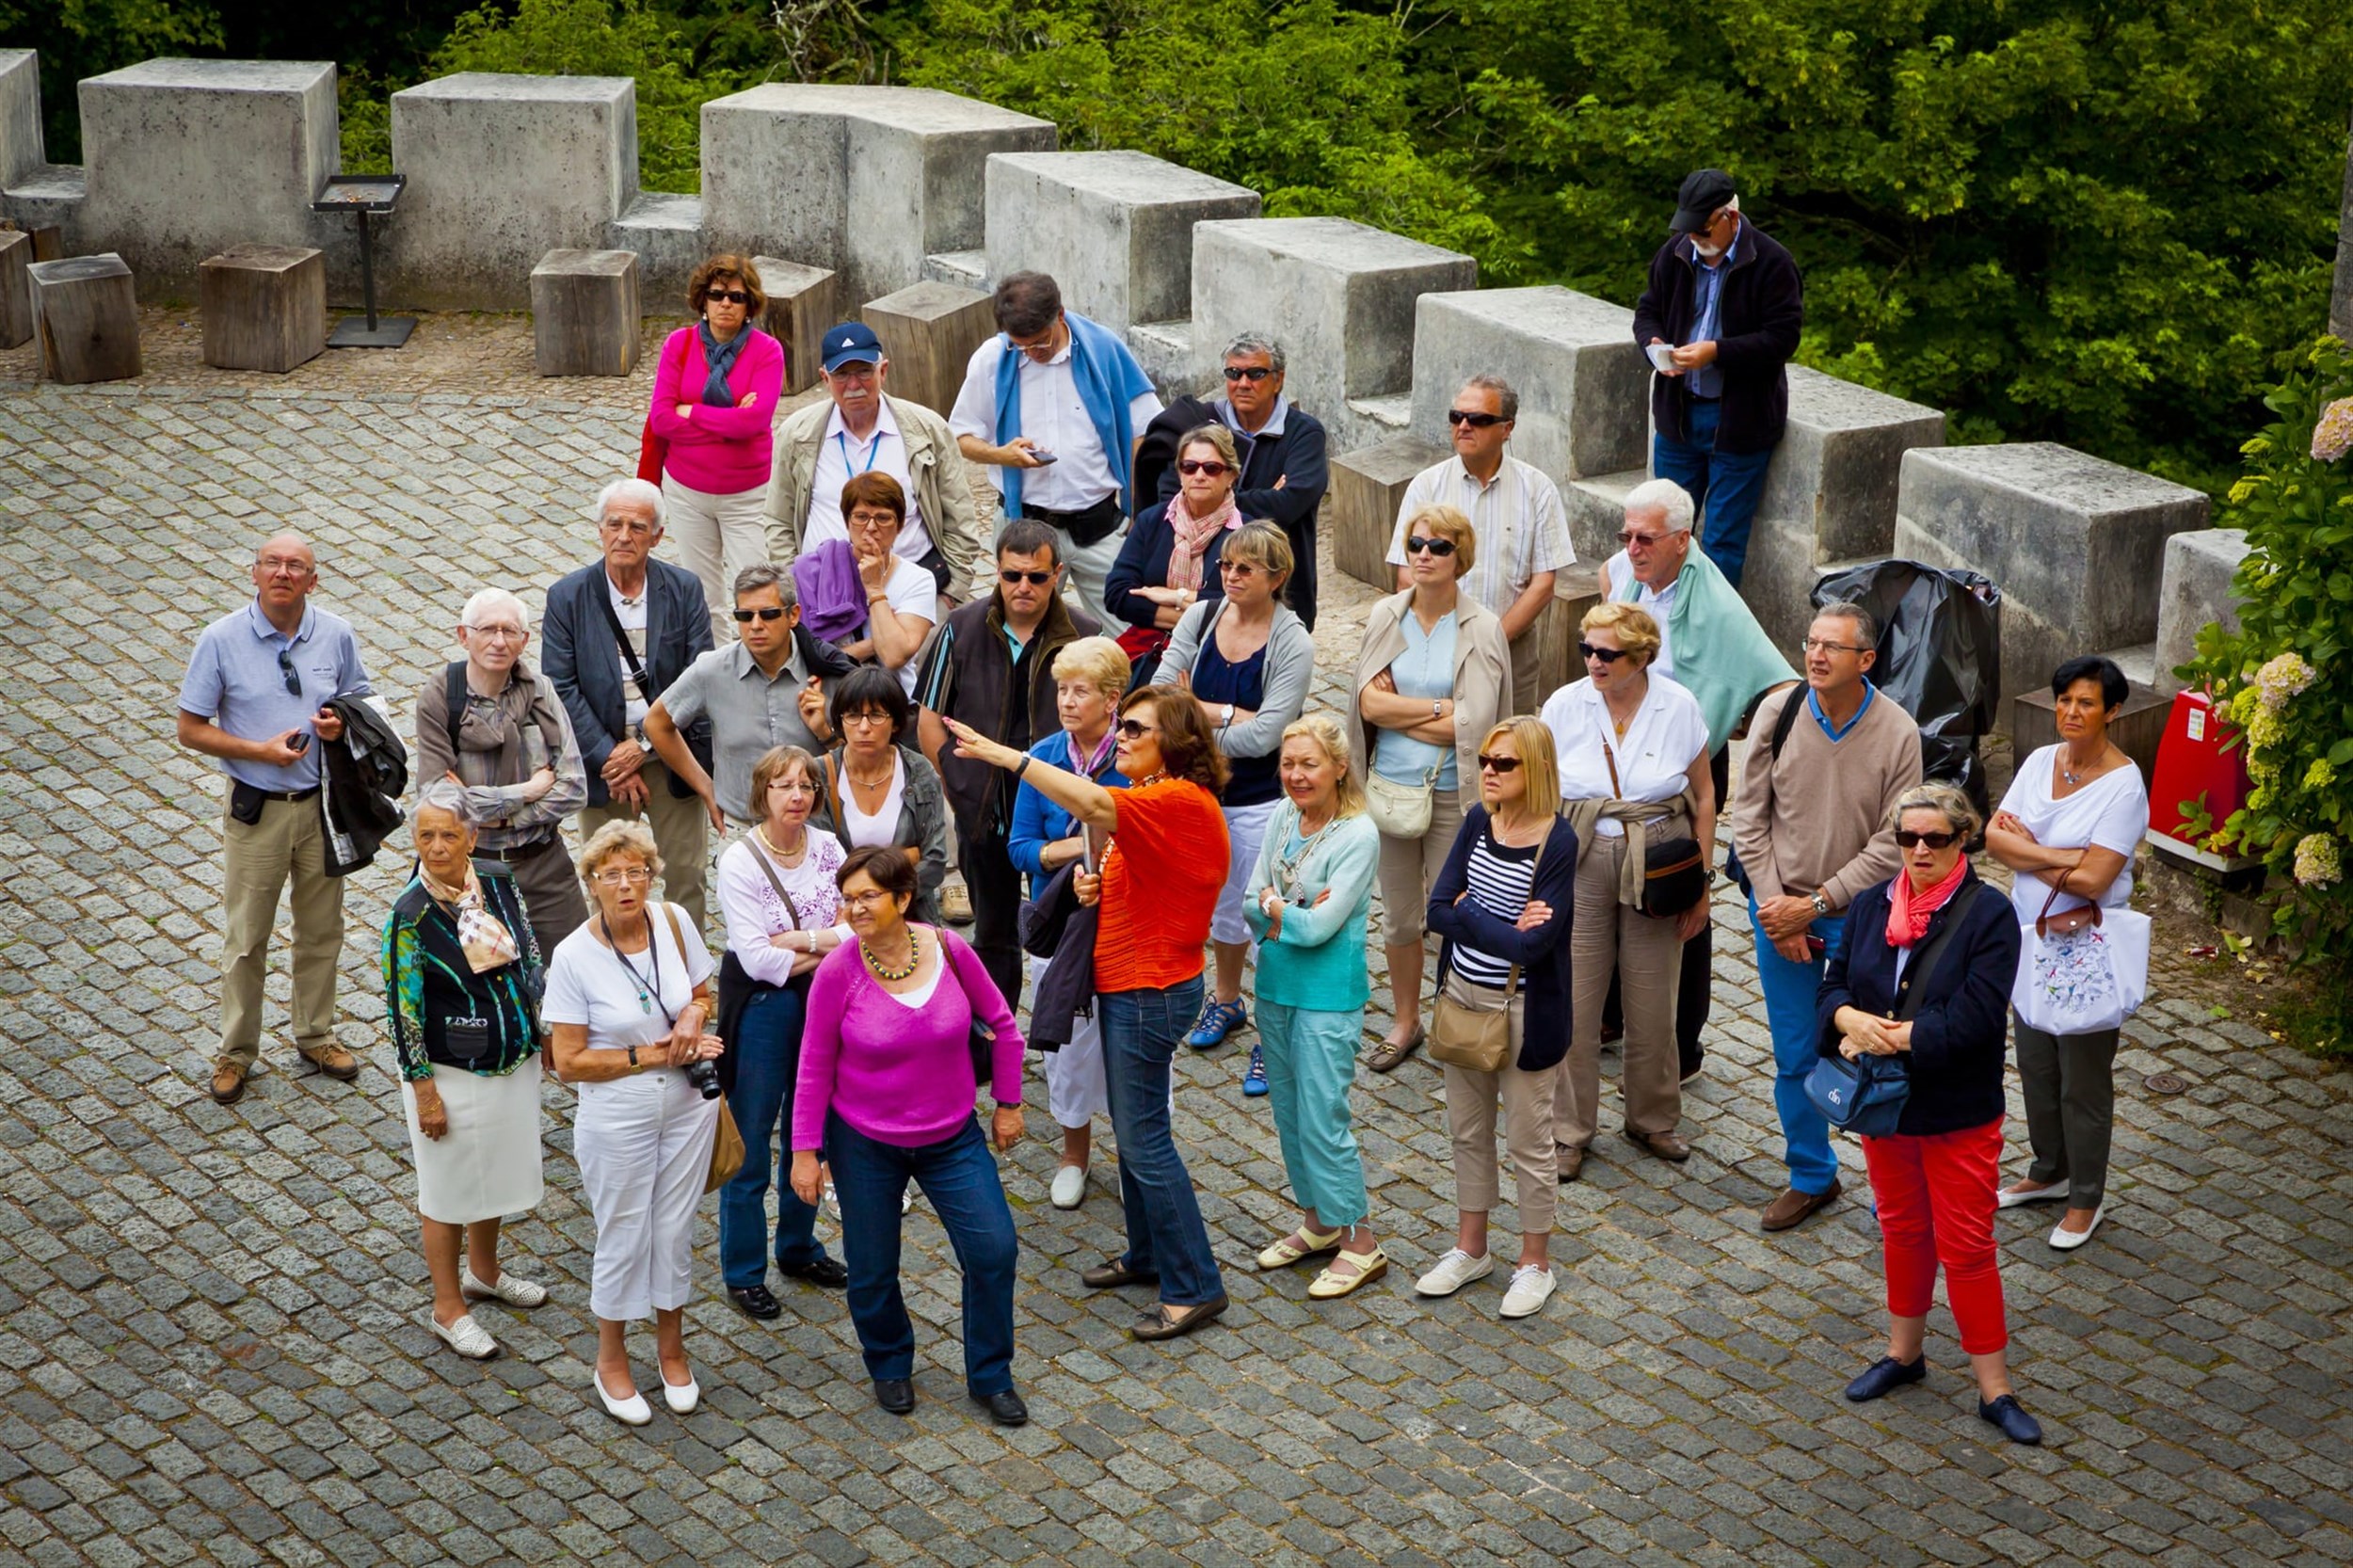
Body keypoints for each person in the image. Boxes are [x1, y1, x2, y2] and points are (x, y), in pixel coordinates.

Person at [943, 687, 1230, 1342]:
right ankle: (1149, 1254)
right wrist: (1093, 884)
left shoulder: (1178, 800)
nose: (1121, 737)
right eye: (1122, 726)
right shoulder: (1159, 800)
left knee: (1145, 1141)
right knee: (1136, 1136)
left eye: (1136, 728)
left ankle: (1195, 1285)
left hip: (1149, 993)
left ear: (1176, 743)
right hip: (1134, 984)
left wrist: (1004, 756)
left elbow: (1095, 802)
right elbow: (1137, 868)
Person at [1818, 784, 2039, 1445]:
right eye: (1907, 838)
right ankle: (1903, 1354)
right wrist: (1848, 1016)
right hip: (1887, 1109)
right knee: (1903, 1231)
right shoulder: (1867, 907)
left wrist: (1890, 1036)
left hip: (1958, 1111)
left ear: (1962, 840)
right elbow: (1833, 986)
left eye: (1935, 839)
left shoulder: (1989, 915)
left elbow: (1975, 1017)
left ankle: (1994, 1389)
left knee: (1967, 1246)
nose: (1919, 850)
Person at [789, 847, 1030, 1425]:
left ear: (902, 899)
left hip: (953, 1138)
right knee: (872, 1268)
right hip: (865, 1143)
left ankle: (991, 1375)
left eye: (868, 896)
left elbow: (1002, 1027)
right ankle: (890, 1363)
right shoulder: (836, 972)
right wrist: (805, 1151)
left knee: (994, 1251)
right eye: (848, 898)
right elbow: (814, 1065)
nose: (855, 908)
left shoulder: (950, 949)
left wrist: (1009, 1104)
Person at [1597, 477, 1797, 1081]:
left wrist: (1732, 717)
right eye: (1627, 535)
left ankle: (1684, 1044)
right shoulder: (1627, 569)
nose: (1633, 548)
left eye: (1646, 538)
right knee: (1609, 880)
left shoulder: (1715, 603)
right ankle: (1611, 1014)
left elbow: (1779, 683)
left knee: (1679, 889)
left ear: (1682, 541)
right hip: (1623, 752)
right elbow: (1608, 587)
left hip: (1687, 762)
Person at [1731, 602, 1922, 1232]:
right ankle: (1812, 1176)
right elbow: (1749, 819)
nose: (1815, 655)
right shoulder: (1777, 712)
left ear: (1865, 660)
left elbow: (1893, 845)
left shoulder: (1898, 733)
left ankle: (1892, 1188)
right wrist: (1772, 908)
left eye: (1831, 647)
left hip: (1861, 921)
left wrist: (1813, 906)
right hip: (1778, 911)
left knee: (1874, 1055)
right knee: (1794, 1056)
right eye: (1810, 642)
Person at [177, 532, 376, 1104]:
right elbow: (190, 729)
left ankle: (315, 1034)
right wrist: (258, 751)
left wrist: (340, 722)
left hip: (321, 807)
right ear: (254, 573)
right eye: (273, 564)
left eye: (296, 566)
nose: (283, 573)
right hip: (257, 810)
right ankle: (236, 1051)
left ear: (313, 580)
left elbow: (360, 700)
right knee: (246, 938)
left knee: (321, 931)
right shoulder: (220, 641)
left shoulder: (335, 634)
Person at [543, 822, 725, 1427]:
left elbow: (704, 992)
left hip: (687, 1106)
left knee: (674, 1227)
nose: (627, 885)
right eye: (612, 875)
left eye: (637, 872)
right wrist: (651, 1054)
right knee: (623, 1232)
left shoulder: (673, 922)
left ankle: (671, 1351)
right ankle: (611, 1359)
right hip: (616, 1111)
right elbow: (567, 1062)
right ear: (592, 883)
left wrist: (696, 1017)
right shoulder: (573, 956)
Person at [1542, 603, 1714, 1176]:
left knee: (1653, 1000)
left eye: (1607, 653)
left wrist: (1703, 883)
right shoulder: (1565, 705)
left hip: (1659, 854)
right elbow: (1538, 794)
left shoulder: (1678, 705)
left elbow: (1706, 797)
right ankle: (1568, 1131)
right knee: (1577, 998)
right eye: (1586, 649)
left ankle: (1652, 1119)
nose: (1593, 660)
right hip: (1584, 851)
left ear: (1642, 657)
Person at [1986, 655, 2150, 1252]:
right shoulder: (2037, 762)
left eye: (2085, 702)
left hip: (2084, 945)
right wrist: (2065, 854)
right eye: (2064, 700)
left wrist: (2035, 849)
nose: (2071, 712)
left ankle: (2086, 1197)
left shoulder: (2124, 785)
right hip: (2028, 936)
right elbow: (1993, 837)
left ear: (2112, 711)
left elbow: (2096, 879)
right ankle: (2049, 1170)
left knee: (2082, 1076)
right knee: (2035, 1062)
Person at [1416, 719, 1578, 1320]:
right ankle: (1471, 1248)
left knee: (1529, 1144)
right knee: (1467, 1132)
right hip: (1463, 998)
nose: (1488, 769)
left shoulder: (1557, 842)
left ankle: (1535, 1262)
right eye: (1486, 759)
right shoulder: (1478, 822)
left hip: (1524, 1014)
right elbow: (1436, 909)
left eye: (1503, 763)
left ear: (1534, 770)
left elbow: (1534, 951)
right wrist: (1502, 926)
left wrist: (1473, 915)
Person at [381, 782, 549, 1361]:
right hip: (448, 1074)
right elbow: (402, 1010)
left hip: (511, 1061)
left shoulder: (499, 884)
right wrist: (423, 1088)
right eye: (425, 834)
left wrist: (542, 1032)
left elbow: (528, 957)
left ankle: (485, 1272)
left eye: (448, 834)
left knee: (495, 1173)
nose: (436, 846)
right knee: (448, 1189)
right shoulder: (410, 915)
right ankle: (447, 1308)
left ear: (472, 837)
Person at [1351, 504, 1511, 1072]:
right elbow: (1368, 704)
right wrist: (1441, 708)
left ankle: (1454, 1015)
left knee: (1451, 915)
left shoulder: (1481, 627)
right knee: (1397, 916)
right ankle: (1404, 1021)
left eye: (1439, 546)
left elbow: (1479, 721)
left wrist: (1406, 712)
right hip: (1389, 790)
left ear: (1459, 557)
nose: (1424, 554)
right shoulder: (1385, 616)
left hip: (1453, 795)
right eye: (1417, 544)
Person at [1154, 521, 1317, 1074]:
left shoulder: (1292, 640)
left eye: (1245, 568)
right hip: (1197, 797)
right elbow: (1159, 700)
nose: (1231, 576)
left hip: (1259, 800)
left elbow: (1267, 736)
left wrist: (1200, 710)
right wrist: (1227, 716)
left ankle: (1273, 1035)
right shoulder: (1201, 617)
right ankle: (1225, 1000)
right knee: (1218, 907)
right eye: (1225, 565)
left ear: (1278, 576)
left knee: (1265, 914)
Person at [915, 520, 1097, 1013]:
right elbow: (930, 720)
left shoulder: (1085, 635)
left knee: (1064, 921)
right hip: (984, 811)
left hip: (1057, 813)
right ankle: (997, 1037)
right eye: (1012, 575)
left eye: (1036, 577)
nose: (1023, 587)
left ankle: (1067, 1029)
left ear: (1057, 574)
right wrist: (958, 785)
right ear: (996, 572)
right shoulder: (961, 628)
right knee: (993, 933)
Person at [1242, 715, 1385, 1296]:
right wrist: (1285, 910)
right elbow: (1250, 902)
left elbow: (1324, 926)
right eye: (1288, 763)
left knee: (1323, 1118)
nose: (1296, 776)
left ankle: (1361, 1241)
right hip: (1276, 987)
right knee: (1290, 1114)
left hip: (1328, 997)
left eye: (1309, 764)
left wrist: (1282, 910)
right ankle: (1319, 1221)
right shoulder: (1282, 817)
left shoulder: (1358, 835)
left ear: (1339, 767)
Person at [712, 745, 853, 1320]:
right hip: (765, 1007)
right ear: (762, 793)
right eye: (784, 786)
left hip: (824, 999)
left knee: (811, 1128)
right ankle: (743, 1271)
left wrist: (802, 942)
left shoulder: (829, 847)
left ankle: (798, 1248)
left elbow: (854, 926)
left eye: (806, 786)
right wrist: (827, 943)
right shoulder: (739, 860)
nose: (797, 796)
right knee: (751, 1137)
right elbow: (754, 960)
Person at [543, 479, 716, 928]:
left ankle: (687, 973)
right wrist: (610, 755)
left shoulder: (683, 590)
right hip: (604, 765)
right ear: (599, 530)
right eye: (614, 524)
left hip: (672, 755)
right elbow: (560, 687)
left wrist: (644, 745)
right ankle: (611, 973)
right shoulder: (568, 597)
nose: (624, 536)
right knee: (605, 875)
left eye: (637, 527)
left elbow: (698, 679)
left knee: (686, 873)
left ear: (657, 536)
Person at [951, 270, 1164, 632]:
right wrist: (1003, 456)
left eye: (1040, 343)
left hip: (1099, 525)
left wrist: (1137, 511)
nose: (1032, 353)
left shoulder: (1104, 348)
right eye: (1021, 346)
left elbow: (1145, 432)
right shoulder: (992, 358)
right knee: (1020, 638)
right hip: (1024, 527)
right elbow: (960, 437)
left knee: (1131, 635)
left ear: (1060, 315)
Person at [1631, 168, 1803, 590]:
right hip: (1678, 418)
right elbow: (1647, 310)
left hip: (1740, 423)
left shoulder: (1772, 261)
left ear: (1731, 216)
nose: (1695, 239)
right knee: (1658, 531)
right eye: (1688, 230)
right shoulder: (1674, 253)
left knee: (1723, 543)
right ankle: (1652, 625)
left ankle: (1707, 633)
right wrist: (1654, 346)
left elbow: (1782, 338)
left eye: (1703, 229)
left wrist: (1718, 352)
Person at [1006, 635, 1131, 1208]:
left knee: (1130, 1040)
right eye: (1061, 689)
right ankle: (1074, 1153)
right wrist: (1068, 850)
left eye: (1080, 690)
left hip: (1126, 922)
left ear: (1112, 699)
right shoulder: (1044, 757)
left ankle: (1137, 1155)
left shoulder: (1136, 756)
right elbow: (1020, 849)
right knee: (1069, 1046)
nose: (1067, 701)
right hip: (1060, 922)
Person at [413, 587, 589, 957]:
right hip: (468, 874)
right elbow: (437, 800)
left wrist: (496, 818)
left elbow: (573, 789)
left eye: (509, 631)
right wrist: (524, 792)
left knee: (573, 973)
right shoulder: (441, 696)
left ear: (524, 641)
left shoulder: (541, 692)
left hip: (544, 868)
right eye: (487, 630)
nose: (498, 641)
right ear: (464, 636)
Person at [1384, 376, 1576, 716]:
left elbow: (1543, 583)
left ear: (1507, 428)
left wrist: (1490, 641)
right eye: (1457, 417)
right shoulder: (1427, 486)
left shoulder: (1538, 489)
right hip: (1433, 646)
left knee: (1508, 754)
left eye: (1479, 419)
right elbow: (1405, 574)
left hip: (1510, 651)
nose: (1464, 426)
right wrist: (1446, 641)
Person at [766, 320, 987, 603]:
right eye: (842, 374)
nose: (854, 385)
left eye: (863, 371)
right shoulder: (797, 434)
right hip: (825, 593)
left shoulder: (927, 430)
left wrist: (948, 596)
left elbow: (960, 518)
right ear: (824, 379)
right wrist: (798, 585)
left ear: (883, 371)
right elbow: (778, 519)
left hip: (909, 590)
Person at [643, 565, 852, 834]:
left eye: (768, 614)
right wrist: (707, 789)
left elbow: (861, 756)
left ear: (794, 615)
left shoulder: (826, 671)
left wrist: (825, 733)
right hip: (743, 829)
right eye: (744, 615)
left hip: (814, 829)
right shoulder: (712, 671)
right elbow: (656, 723)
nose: (755, 626)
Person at [1146, 334, 1330, 629]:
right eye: (1234, 373)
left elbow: (1288, 506)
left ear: (1278, 379)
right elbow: (1169, 498)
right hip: (1200, 593)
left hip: (1279, 594)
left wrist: (1207, 497)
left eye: (1255, 374)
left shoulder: (1304, 434)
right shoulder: (1200, 422)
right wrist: (1262, 497)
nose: (1243, 383)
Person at [646, 255, 785, 632]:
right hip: (688, 492)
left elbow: (755, 421)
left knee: (754, 590)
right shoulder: (679, 344)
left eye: (736, 297)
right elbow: (661, 418)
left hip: (747, 496)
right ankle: (715, 673)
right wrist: (729, 422)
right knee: (704, 597)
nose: (726, 303)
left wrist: (691, 411)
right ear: (702, 301)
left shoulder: (767, 351)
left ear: (749, 306)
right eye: (717, 294)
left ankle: (756, 669)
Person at [808, 664, 951, 927]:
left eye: (876, 715)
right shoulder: (819, 775)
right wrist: (903, 857)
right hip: (844, 921)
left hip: (910, 918)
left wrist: (884, 901)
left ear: (895, 722)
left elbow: (935, 859)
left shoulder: (919, 773)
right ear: (840, 720)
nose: (863, 727)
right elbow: (824, 865)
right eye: (852, 715)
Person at [1104, 424, 1242, 680]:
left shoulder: (1247, 535)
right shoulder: (1152, 521)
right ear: (1180, 473)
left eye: (1211, 469)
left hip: (1220, 655)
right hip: (1151, 653)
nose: (1199, 476)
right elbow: (1117, 593)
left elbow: (1241, 607)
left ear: (1231, 475)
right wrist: (1195, 612)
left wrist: (1173, 596)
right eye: (1189, 467)